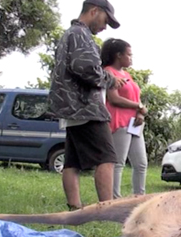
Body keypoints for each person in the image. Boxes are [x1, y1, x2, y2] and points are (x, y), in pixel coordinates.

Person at [49, 0, 123, 211]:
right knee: (107, 157)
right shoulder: (81, 35)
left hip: (69, 106)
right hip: (84, 106)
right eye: (105, 20)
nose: (105, 26)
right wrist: (109, 79)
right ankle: (107, 209)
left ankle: (74, 208)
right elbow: (86, 68)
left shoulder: (68, 35)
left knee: (72, 161)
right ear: (94, 11)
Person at [101, 38, 149, 198]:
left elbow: (137, 98)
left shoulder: (127, 74)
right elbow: (113, 98)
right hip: (120, 121)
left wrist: (141, 113)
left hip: (134, 123)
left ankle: (139, 199)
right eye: (129, 55)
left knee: (141, 163)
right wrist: (137, 106)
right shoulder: (109, 72)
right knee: (118, 163)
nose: (131, 58)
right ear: (118, 55)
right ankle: (115, 199)